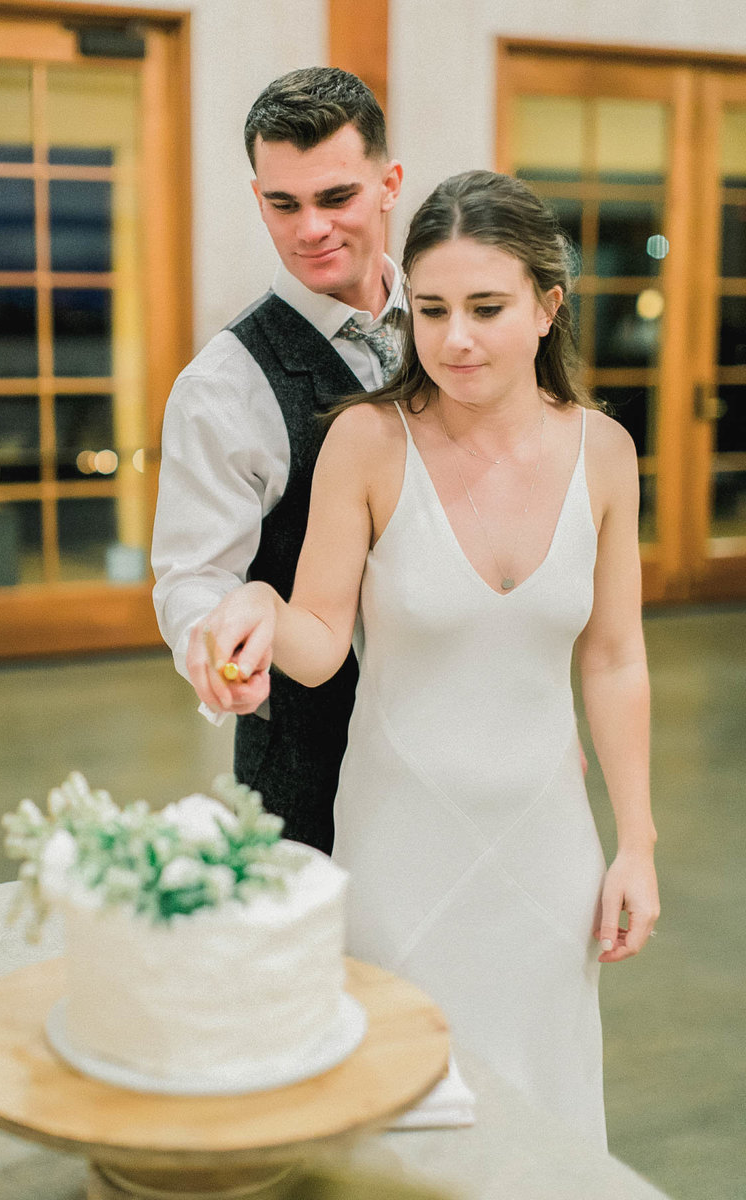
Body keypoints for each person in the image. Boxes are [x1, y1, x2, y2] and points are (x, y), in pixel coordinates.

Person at [202, 170, 660, 1146]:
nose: (454, 339)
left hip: (545, 851)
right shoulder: (366, 442)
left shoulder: (605, 454)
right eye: (432, 309)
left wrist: (636, 844)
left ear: (546, 307)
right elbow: (318, 644)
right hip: (398, 848)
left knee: (542, 1120)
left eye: (486, 308)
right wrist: (255, 606)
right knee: (398, 1120)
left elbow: (615, 658)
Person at [151, 68, 403, 854]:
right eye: (284, 204)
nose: (311, 229)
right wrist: (222, 646)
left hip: (456, 740)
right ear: (258, 197)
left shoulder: (454, 328)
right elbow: (194, 576)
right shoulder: (221, 387)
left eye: (336, 197)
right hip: (306, 756)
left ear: (389, 184)